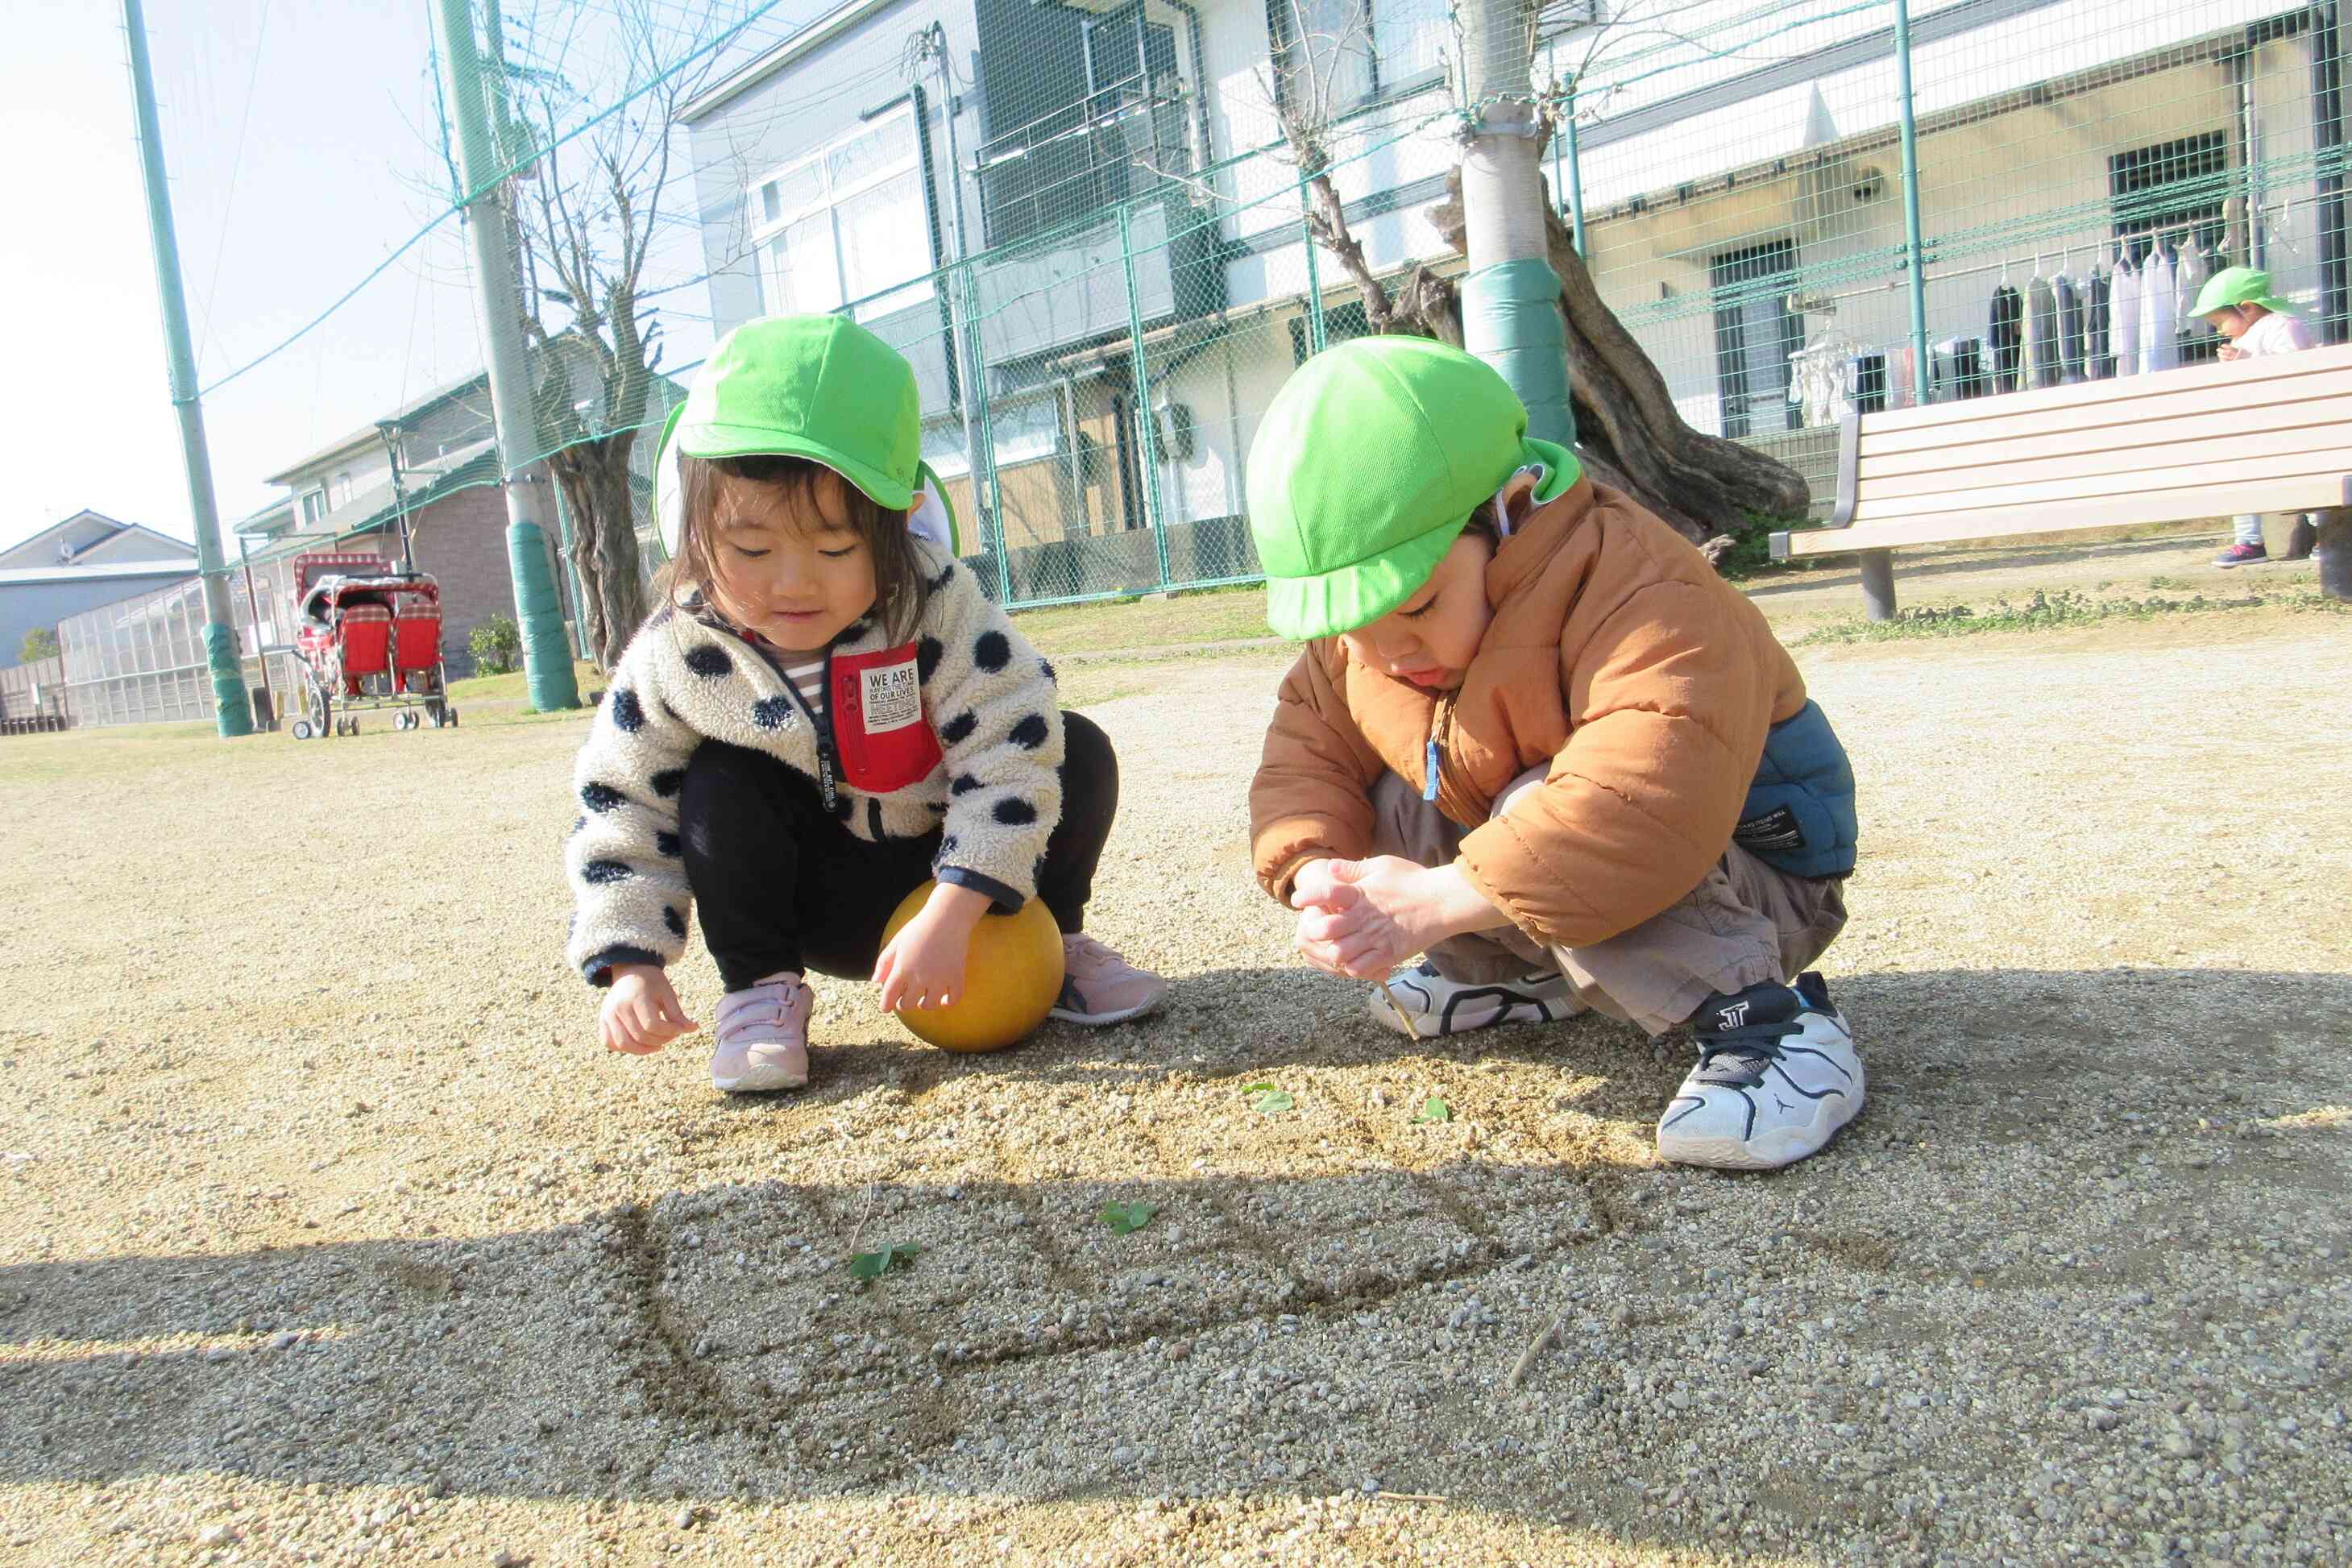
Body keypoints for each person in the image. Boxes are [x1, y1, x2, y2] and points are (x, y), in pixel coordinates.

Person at [1246, 338, 1860, 1172]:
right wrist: (1316, 868)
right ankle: (1516, 972)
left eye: (1419, 604)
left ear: (1512, 507)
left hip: (1752, 880)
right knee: (1397, 787)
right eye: (1354, 628)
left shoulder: (1645, 586)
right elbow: (1307, 743)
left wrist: (1435, 900)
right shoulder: (1376, 640)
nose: (1390, 650)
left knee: (1542, 796)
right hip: (1562, 864)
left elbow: (1645, 795)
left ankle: (1769, 1022)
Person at [564, 314, 1165, 1093]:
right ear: (694, 529)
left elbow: (1010, 739)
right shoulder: (681, 650)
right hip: (819, 900)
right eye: (751, 549)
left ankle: (1056, 940)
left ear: (896, 522)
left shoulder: (934, 601)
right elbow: (620, 797)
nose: (793, 583)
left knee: (1072, 743)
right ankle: (760, 991)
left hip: (964, 874)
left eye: (836, 548)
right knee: (719, 781)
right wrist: (631, 963)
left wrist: (951, 914)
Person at [2196, 266, 2320, 568]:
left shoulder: (2281, 325)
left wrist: (2248, 362)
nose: (2218, 330)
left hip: (2294, 426)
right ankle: (2249, 541)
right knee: (2240, 473)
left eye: (2219, 321)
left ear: (2247, 308)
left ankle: (2330, 536)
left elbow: (2297, 370)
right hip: (2258, 429)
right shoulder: (2243, 339)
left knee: (2312, 478)